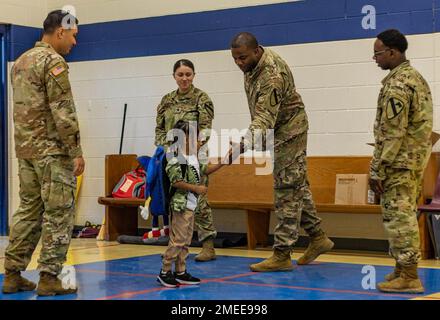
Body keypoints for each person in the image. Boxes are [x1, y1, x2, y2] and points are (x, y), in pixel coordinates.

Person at [229, 32, 334, 272]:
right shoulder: (253, 66)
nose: (239, 63)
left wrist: (243, 144)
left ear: (256, 51)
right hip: (277, 130)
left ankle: (282, 254)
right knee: (296, 185)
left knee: (286, 188)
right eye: (235, 58)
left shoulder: (271, 74)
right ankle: (318, 237)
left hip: (290, 130)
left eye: (243, 57)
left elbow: (265, 115)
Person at [2, 10, 84, 296]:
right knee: (59, 213)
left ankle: (11, 274)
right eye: (73, 36)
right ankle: (49, 277)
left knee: (28, 210)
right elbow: (63, 113)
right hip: (52, 152)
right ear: (60, 31)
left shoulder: (20, 61)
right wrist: (76, 151)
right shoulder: (53, 61)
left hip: (26, 151)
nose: (74, 42)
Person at [369, 29, 433, 294]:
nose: (374, 59)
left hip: (399, 162)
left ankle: (409, 275)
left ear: (393, 52)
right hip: (412, 160)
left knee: (399, 217)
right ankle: (401, 267)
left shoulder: (398, 84)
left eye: (378, 53)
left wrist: (377, 168)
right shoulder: (414, 78)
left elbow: (392, 132)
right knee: (402, 214)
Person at [155, 59, 217, 262]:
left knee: (198, 199)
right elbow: (160, 129)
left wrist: (194, 148)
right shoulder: (166, 100)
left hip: (195, 154)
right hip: (172, 155)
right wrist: (167, 149)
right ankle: (177, 243)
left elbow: (206, 128)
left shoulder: (202, 98)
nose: (184, 78)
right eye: (180, 74)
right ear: (174, 76)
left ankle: (208, 245)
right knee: (176, 197)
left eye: (188, 74)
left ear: (194, 75)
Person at [157, 120, 227, 288]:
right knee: (178, 239)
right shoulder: (174, 157)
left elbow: (205, 170)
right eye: (195, 136)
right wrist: (197, 188)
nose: (199, 140)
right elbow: (176, 182)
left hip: (191, 204)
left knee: (186, 239)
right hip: (180, 205)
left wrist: (224, 161)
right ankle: (165, 271)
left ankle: (180, 270)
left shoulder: (194, 157)